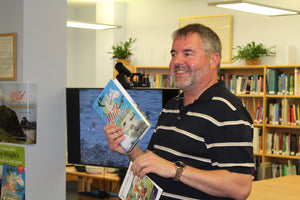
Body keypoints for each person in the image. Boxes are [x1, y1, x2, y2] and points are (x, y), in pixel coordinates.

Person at [104, 23, 254, 200]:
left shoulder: (228, 111)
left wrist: (176, 170)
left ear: (213, 60)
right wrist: (130, 149)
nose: (176, 61)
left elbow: (240, 187)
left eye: (188, 53)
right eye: (173, 54)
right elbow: (156, 165)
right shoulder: (171, 106)